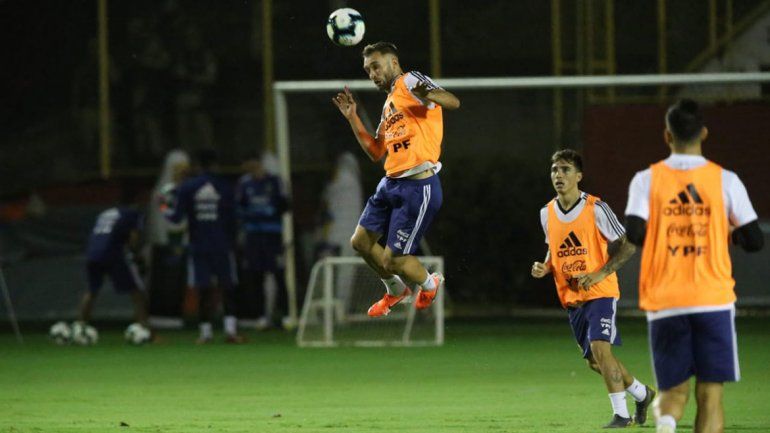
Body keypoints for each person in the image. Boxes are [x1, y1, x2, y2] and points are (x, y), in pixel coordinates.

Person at [624, 99, 764, 433]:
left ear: (667, 136)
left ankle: (668, 423)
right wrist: (721, 230)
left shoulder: (646, 180)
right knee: (710, 395)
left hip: (666, 299)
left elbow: (634, 233)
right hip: (712, 298)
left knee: (673, 391)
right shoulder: (725, 180)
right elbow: (755, 240)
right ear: (704, 132)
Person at [331, 42, 460, 317]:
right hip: (390, 183)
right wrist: (352, 117)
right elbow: (376, 152)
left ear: (393, 62)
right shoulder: (390, 105)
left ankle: (429, 282)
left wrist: (431, 93)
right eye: (367, 70)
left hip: (418, 185)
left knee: (393, 259)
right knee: (360, 242)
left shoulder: (410, 81)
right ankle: (396, 290)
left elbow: (453, 102)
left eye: (376, 66)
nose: (372, 74)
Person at [531, 149, 655, 428]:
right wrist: (546, 267)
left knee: (601, 350)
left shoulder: (595, 208)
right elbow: (554, 249)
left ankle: (622, 416)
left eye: (565, 170)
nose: (558, 175)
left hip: (601, 292)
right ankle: (642, 393)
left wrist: (600, 273)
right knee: (595, 361)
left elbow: (628, 244)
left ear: (579, 176)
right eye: (554, 170)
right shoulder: (546, 213)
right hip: (571, 297)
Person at [165, 148, 243, 344]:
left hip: (198, 245)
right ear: (216, 164)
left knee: (203, 288)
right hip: (223, 245)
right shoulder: (225, 186)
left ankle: (205, 333)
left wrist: (163, 206)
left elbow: (176, 217)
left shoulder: (188, 187)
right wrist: (233, 241)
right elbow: (234, 217)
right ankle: (230, 331)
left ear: (197, 166)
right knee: (228, 287)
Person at [80, 190, 148, 329]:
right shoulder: (132, 213)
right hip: (112, 253)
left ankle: (80, 327)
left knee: (91, 292)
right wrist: (137, 256)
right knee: (136, 292)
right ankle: (145, 330)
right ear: (136, 202)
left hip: (92, 253)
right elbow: (134, 238)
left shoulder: (104, 213)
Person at [235, 156, 290, 330]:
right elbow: (238, 206)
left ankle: (285, 316)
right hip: (253, 236)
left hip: (272, 235)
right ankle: (260, 316)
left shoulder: (275, 182)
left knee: (279, 275)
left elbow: (286, 204)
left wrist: (269, 212)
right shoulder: (244, 183)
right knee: (255, 276)